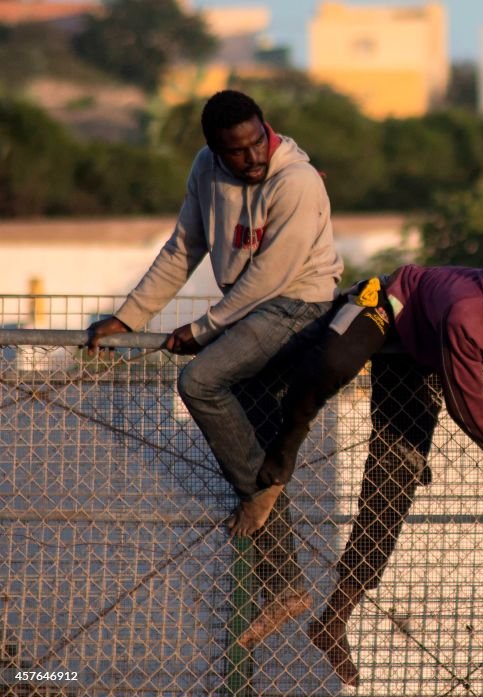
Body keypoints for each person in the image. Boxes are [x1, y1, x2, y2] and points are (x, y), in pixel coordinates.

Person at [238, 239, 483, 685]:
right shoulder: (468, 314)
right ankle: (280, 452)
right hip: (393, 313)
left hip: (429, 352)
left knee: (393, 482)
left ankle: (332, 620)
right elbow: (468, 404)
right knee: (331, 364)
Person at [86, 90, 343, 647]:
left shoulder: (296, 181)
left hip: (299, 303)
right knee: (255, 460)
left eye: (259, 142)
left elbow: (272, 278)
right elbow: (185, 246)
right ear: (213, 150)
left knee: (198, 380)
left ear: (266, 128)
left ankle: (261, 492)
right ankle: (286, 586)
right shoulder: (206, 171)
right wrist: (130, 317)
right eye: (238, 152)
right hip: (252, 309)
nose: (253, 158)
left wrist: (202, 330)